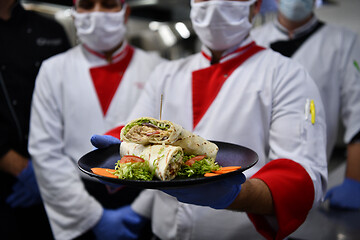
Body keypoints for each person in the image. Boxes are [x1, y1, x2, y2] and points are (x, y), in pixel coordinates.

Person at [91, 0, 328, 239]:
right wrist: (119, 152)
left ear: (255, 6)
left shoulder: (287, 76)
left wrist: (236, 194)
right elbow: (138, 137)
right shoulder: (165, 74)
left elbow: (301, 180)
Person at [28, 0, 165, 239]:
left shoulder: (160, 69)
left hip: (146, 191)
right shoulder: (53, 70)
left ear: (125, 13)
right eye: (87, 5)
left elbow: (169, 148)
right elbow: (46, 152)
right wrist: (92, 217)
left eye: (109, 4)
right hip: (76, 198)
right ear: (74, 13)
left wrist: (140, 211)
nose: (97, 13)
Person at [251, 0, 360, 210]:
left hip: (306, 178)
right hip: (248, 175)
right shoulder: (253, 40)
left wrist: (355, 181)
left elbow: (358, 116)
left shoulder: (344, 42)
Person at [0, 0, 71, 239]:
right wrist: (20, 168)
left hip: (56, 175)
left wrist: (48, 172)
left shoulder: (51, 31)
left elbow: (71, 103)